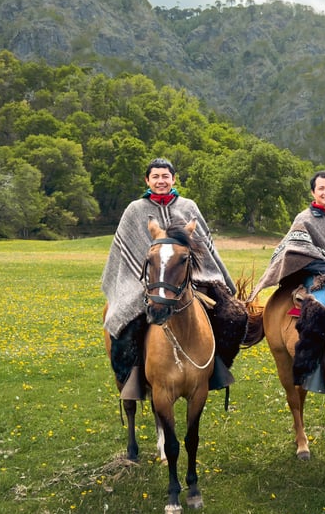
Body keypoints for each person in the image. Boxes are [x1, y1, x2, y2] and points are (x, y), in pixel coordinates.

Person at [102, 157, 247, 399]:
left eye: (165, 176)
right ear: (147, 180)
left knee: (233, 316)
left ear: (173, 179)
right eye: (156, 176)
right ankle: (134, 377)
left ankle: (215, 367)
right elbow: (125, 251)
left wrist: (219, 284)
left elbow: (205, 248)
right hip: (144, 281)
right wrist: (149, 280)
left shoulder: (188, 206)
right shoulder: (134, 210)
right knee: (127, 325)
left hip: (193, 278)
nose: (161, 181)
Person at [250, 170, 325, 392]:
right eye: (321, 189)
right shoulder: (304, 219)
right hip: (318, 279)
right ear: (313, 192)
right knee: (319, 309)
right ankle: (314, 368)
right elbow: (298, 252)